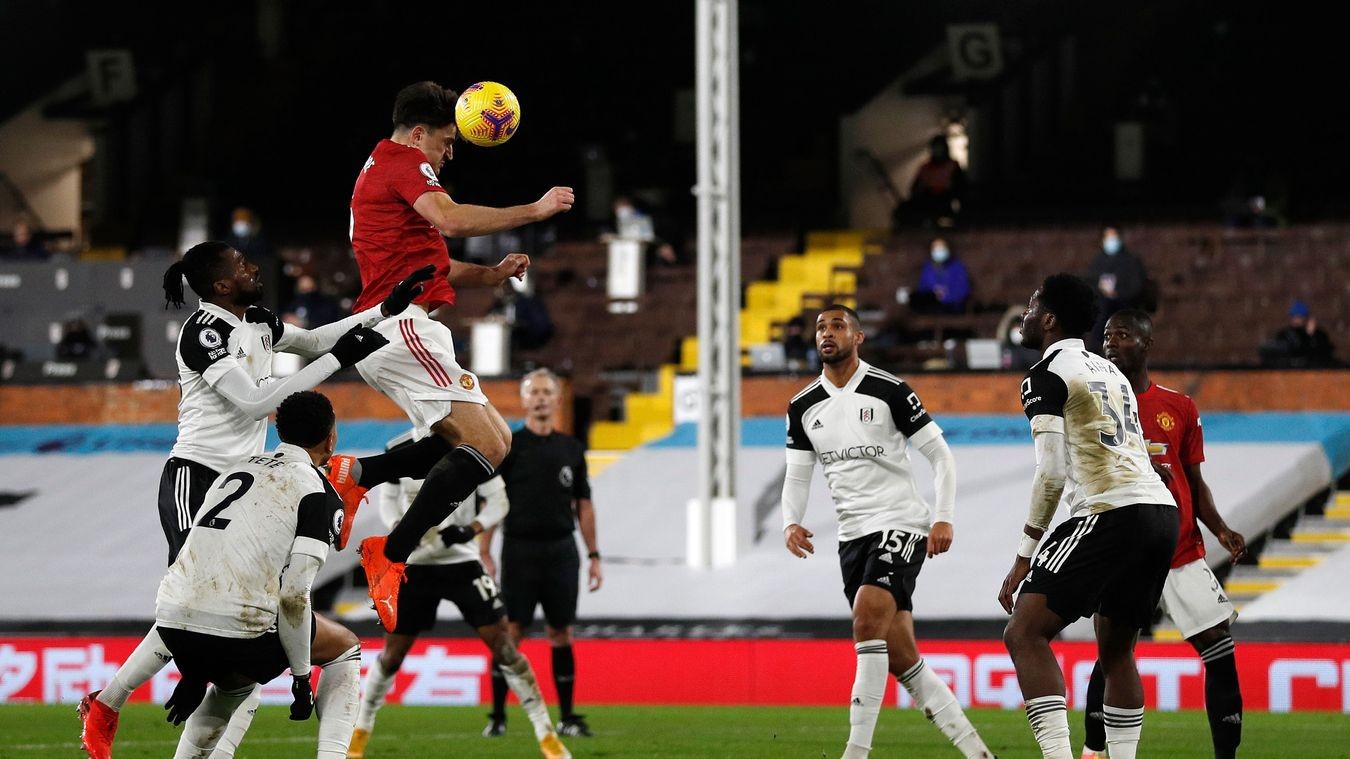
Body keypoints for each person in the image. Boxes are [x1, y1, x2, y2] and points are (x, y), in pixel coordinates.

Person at [77, 241, 430, 759]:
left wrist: (383, 311)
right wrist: (339, 359)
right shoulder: (205, 332)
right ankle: (108, 703)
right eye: (242, 266)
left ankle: (200, 695)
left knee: (244, 609)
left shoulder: (260, 321)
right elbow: (260, 402)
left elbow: (311, 341)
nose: (254, 268)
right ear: (221, 285)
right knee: (190, 588)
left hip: (250, 481)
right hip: (196, 475)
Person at [314, 81, 573, 642]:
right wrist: (536, 208)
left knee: (490, 441)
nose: (449, 153)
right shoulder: (404, 163)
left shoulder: (382, 171)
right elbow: (450, 220)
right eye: (446, 142)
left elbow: (435, 260)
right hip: (404, 329)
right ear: (417, 133)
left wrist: (493, 273)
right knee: (491, 446)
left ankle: (359, 475)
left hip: (395, 329)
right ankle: (391, 552)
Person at [781, 305, 993, 759]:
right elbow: (798, 476)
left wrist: (943, 516)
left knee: (865, 620)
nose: (827, 332)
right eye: (821, 326)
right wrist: (790, 521)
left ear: (858, 337)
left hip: (900, 523)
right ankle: (979, 753)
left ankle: (856, 752)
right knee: (903, 660)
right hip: (851, 537)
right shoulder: (803, 406)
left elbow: (940, 456)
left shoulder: (889, 390)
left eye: (837, 325)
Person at [999, 274, 1178, 759]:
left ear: (1050, 319)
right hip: (1159, 513)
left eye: (1033, 304)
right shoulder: (1111, 372)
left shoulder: (1045, 376)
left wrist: (1023, 556)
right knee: (1117, 650)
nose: (1026, 313)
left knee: (1025, 632)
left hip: (1111, 509)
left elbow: (1052, 473)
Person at [151, 390, 360, 758]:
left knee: (236, 684)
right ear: (331, 438)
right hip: (241, 623)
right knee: (344, 648)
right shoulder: (317, 491)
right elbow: (294, 597)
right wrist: (301, 677)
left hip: (175, 619)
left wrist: (191, 667)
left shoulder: (238, 467)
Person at [1079, 309, 1246, 759]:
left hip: (1178, 551)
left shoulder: (1180, 407)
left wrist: (1221, 528)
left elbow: (1194, 481)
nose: (1111, 342)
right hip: (1123, 550)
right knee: (1112, 652)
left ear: (1147, 344)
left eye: (1123, 335)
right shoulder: (1094, 406)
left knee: (1220, 648)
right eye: (1107, 335)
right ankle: (1094, 752)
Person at [348, 433, 569, 759]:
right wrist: (402, 529)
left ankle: (547, 735)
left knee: (504, 647)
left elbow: (499, 502)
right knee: (392, 655)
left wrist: (471, 529)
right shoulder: (397, 449)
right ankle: (361, 730)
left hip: (462, 562)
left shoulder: (476, 442)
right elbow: (388, 501)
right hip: (416, 566)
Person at [479, 368, 601, 740]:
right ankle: (498, 716)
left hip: (562, 551)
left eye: (548, 392)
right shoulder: (510, 448)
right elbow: (495, 502)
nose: (542, 398)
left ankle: (566, 716)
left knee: (561, 632)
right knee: (511, 631)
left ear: (558, 398)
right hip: (519, 550)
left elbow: (584, 504)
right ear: (525, 399)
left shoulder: (572, 448)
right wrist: (486, 551)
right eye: (535, 392)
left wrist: (594, 554)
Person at [1084, 226, 1148, 353]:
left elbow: (1136, 286)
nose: (1111, 241)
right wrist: (1100, 290)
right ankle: (1095, 350)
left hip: (1124, 304)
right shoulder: (1098, 263)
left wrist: (1118, 294)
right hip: (1102, 306)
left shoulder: (1131, 261)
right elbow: (1090, 284)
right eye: (1108, 237)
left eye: (1114, 237)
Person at [904, 134, 968, 229]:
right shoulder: (925, 168)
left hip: (945, 200)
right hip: (927, 201)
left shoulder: (953, 166)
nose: (938, 150)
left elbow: (962, 188)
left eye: (940, 147)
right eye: (936, 147)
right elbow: (914, 189)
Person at [1259, 300, 1337, 368]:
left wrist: (1310, 335)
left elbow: (1322, 352)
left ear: (1306, 318)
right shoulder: (1286, 334)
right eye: (1294, 317)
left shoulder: (1318, 334)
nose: (1296, 320)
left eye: (1299, 317)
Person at [912, 237, 972, 315]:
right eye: (936, 248)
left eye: (941, 248)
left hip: (953, 307)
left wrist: (946, 296)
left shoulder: (957, 266)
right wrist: (932, 296)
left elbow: (964, 289)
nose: (939, 251)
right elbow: (922, 288)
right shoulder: (927, 267)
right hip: (932, 307)